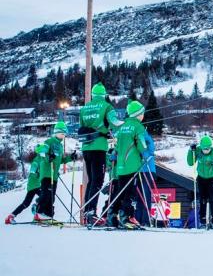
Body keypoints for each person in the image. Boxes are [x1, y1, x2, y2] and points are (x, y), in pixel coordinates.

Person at [79, 82, 123, 224]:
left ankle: (87, 213)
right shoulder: (106, 106)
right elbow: (114, 122)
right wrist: (126, 123)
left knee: (91, 181)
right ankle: (91, 213)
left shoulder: (84, 108)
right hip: (99, 147)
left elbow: (81, 127)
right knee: (98, 181)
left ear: (92, 95)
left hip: (86, 148)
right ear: (104, 95)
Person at [109, 100, 149, 229]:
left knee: (120, 191)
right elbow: (142, 144)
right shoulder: (138, 127)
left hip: (121, 166)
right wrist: (146, 154)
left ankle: (113, 215)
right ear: (138, 114)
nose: (143, 116)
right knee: (130, 192)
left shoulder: (122, 127)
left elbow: (116, 145)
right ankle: (126, 216)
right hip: (132, 164)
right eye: (142, 113)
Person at [37, 121, 76, 221]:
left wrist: (71, 157)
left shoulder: (60, 146)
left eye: (64, 134)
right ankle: (39, 212)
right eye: (62, 133)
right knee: (46, 194)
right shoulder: (49, 142)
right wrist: (48, 157)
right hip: (46, 173)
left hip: (54, 175)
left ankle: (49, 215)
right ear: (56, 132)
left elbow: (60, 160)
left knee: (52, 197)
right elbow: (41, 152)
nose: (63, 136)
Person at [187, 135, 213, 230]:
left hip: (212, 178)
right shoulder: (197, 151)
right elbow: (190, 163)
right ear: (201, 147)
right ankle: (202, 220)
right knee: (202, 199)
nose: (206, 150)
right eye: (204, 148)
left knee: (212, 198)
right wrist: (191, 151)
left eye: (208, 148)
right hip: (201, 178)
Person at [5, 144, 46, 224]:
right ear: (40, 152)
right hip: (34, 185)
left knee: (26, 203)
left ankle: (11, 216)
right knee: (43, 197)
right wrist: (37, 173)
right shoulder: (37, 160)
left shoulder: (43, 160)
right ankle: (36, 210)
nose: (45, 152)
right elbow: (32, 172)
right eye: (43, 151)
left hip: (35, 185)